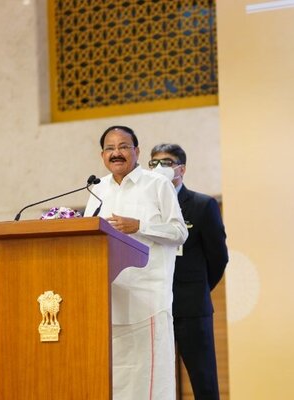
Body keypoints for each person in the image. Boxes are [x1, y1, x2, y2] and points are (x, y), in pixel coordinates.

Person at [84, 126, 188, 400]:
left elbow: (180, 232)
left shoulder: (157, 184)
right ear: (102, 155)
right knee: (115, 383)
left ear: (137, 151)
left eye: (123, 146)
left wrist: (140, 226)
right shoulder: (97, 189)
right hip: (109, 304)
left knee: (149, 383)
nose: (116, 153)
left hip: (148, 302)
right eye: (110, 148)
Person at [149, 143, 228, 400]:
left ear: (181, 169)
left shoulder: (202, 205)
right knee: (154, 380)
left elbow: (218, 258)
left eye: (166, 163)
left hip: (191, 308)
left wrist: (198, 289)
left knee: (203, 380)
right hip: (153, 306)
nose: (159, 168)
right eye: (153, 163)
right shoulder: (146, 206)